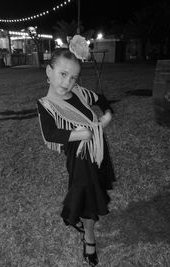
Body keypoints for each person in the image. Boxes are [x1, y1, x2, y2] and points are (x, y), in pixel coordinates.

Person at [37, 44, 115, 266]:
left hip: (98, 152)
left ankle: (73, 215)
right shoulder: (46, 105)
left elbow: (99, 98)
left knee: (91, 191)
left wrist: (107, 113)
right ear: (48, 71)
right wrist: (77, 133)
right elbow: (50, 134)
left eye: (73, 77)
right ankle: (89, 238)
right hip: (79, 159)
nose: (67, 82)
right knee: (88, 195)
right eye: (63, 74)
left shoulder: (80, 93)